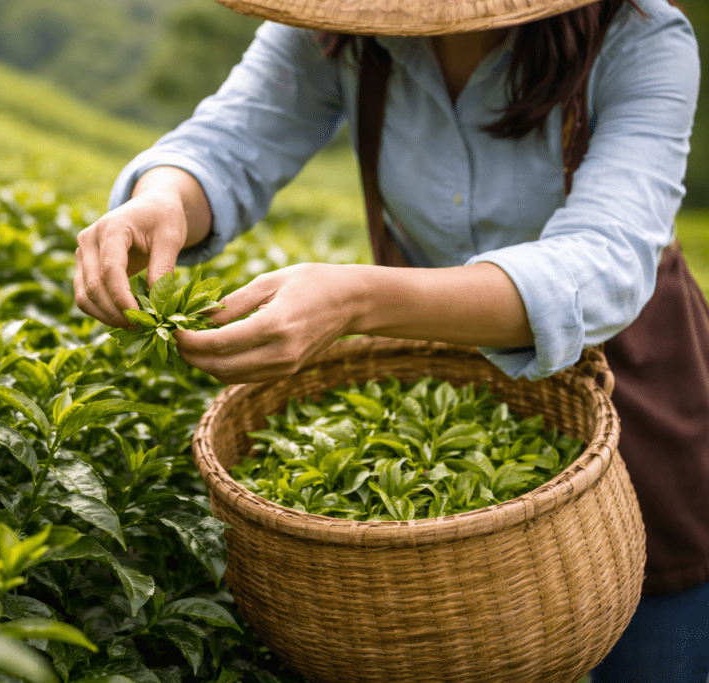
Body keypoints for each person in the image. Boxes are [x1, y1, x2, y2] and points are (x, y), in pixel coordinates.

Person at [73, 0, 707, 679]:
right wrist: (163, 198)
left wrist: (358, 300)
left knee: (655, 652)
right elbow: (229, 144)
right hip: (436, 381)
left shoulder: (639, 38)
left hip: (632, 378)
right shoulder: (337, 34)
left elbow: (602, 260)